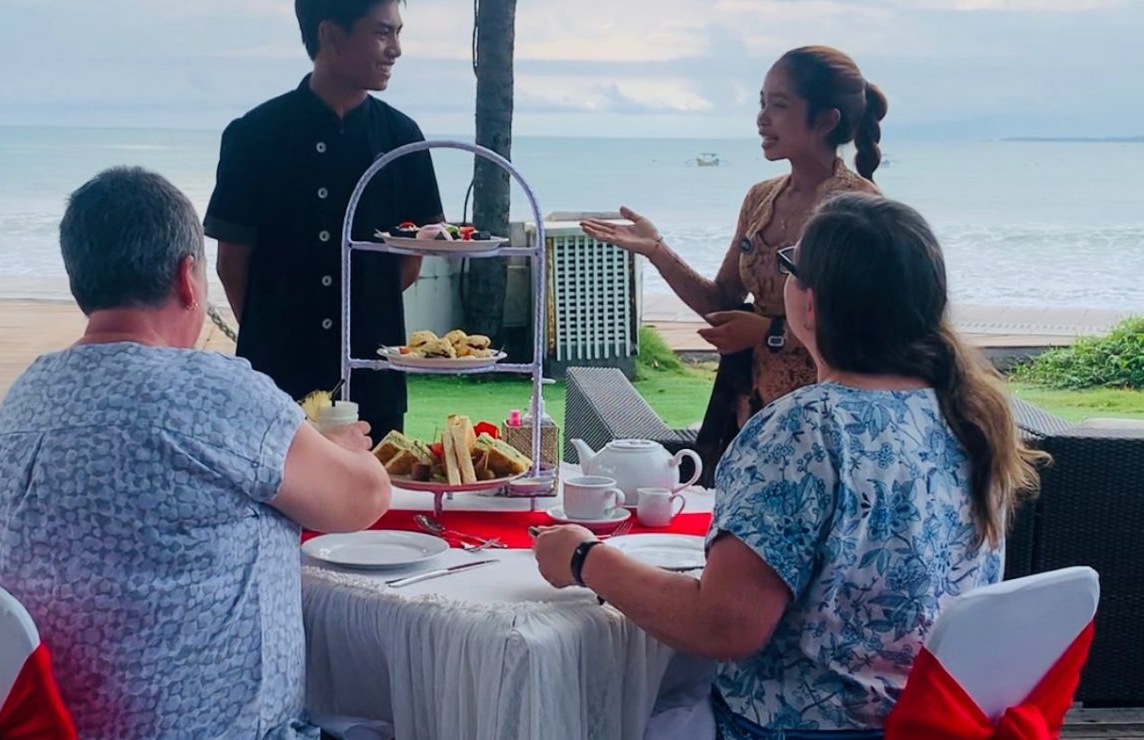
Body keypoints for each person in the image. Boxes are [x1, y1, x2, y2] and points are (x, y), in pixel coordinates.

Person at [535, 193, 1046, 738]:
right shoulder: (966, 414)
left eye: (788, 267)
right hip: (929, 723)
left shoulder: (803, 431)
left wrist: (584, 558)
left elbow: (725, 625)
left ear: (809, 303)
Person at [0, 167, 392, 738]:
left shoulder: (24, 400)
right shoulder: (211, 391)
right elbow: (363, 498)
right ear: (188, 279)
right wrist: (340, 448)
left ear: (81, 284)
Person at [581, 45, 887, 481]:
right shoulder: (760, 198)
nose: (762, 119)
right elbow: (721, 299)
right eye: (762, 103)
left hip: (824, 420)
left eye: (779, 106)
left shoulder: (858, 208)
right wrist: (657, 251)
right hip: (748, 414)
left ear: (826, 120)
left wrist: (767, 332)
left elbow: (870, 332)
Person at [205, 0, 445, 443]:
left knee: (377, 506)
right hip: (273, 384)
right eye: (381, 32)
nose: (395, 49)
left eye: (397, 33)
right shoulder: (253, 136)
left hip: (373, 378)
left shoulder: (403, 139)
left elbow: (409, 263)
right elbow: (231, 265)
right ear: (330, 35)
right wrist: (275, 339)